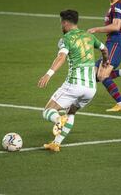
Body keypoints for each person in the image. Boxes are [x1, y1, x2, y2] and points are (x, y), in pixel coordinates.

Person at [38, 9, 109, 152]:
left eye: (61, 23)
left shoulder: (66, 39)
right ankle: (56, 144)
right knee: (70, 112)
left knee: (47, 111)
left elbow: (61, 57)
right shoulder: (89, 36)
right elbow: (104, 49)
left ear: (65, 23)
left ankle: (58, 120)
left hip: (74, 85)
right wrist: (106, 62)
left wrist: (48, 74)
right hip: (91, 89)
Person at [87, 0, 121, 112]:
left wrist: (96, 29)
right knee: (93, 74)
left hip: (116, 43)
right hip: (112, 42)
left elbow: (116, 26)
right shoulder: (113, 6)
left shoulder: (118, 5)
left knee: (103, 75)